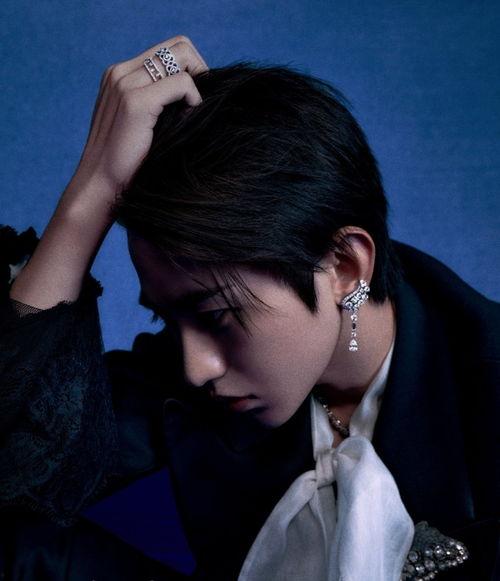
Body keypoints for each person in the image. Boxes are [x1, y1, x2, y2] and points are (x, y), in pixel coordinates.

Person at [0, 35, 498, 581]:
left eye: (217, 315)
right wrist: (90, 195)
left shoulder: (483, 382)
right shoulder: (183, 381)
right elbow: (13, 467)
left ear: (344, 266)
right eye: (167, 318)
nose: (197, 368)